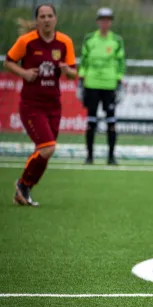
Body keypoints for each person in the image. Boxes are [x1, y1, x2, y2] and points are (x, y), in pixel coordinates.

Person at [4, 4, 77, 206]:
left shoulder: (64, 42)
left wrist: (66, 70)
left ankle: (24, 190)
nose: (46, 19)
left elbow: (73, 73)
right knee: (47, 147)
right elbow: (8, 62)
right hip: (31, 104)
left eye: (50, 16)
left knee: (46, 151)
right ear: (36, 21)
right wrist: (24, 73)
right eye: (42, 16)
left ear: (55, 19)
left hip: (54, 105)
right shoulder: (26, 41)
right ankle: (22, 184)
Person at [77, 7, 126, 165]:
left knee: (111, 121)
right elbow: (84, 60)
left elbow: (120, 62)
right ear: (98, 21)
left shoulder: (116, 40)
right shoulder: (90, 39)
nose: (105, 23)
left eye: (108, 20)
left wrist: (119, 81)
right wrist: (81, 80)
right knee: (91, 121)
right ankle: (89, 156)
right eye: (102, 19)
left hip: (109, 84)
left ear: (110, 22)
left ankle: (111, 156)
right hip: (92, 83)